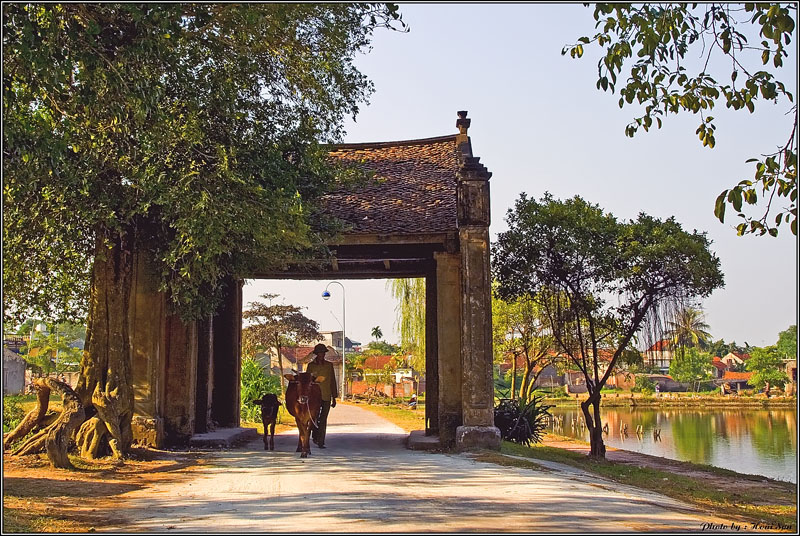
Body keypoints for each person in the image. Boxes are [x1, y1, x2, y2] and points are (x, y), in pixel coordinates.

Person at [304, 343, 338, 448]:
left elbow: (332, 381)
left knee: (323, 419)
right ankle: (315, 435)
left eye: (323, 353)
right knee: (314, 418)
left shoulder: (329, 365)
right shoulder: (311, 366)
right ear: (316, 354)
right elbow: (307, 381)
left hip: (326, 395)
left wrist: (334, 397)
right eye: (320, 353)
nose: (321, 355)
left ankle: (321, 441)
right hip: (313, 397)